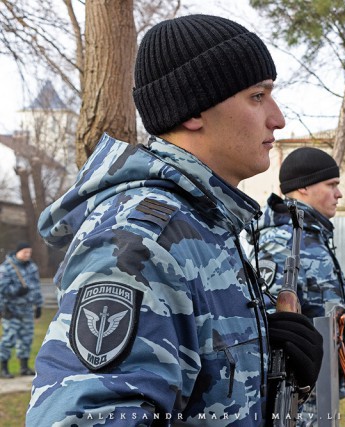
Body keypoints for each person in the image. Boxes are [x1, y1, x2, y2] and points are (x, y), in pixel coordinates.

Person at [26, 14, 323, 425]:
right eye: (258, 96)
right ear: (194, 110)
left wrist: (265, 367)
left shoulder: (204, 224)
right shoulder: (139, 240)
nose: (278, 118)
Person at [248, 146, 345, 425]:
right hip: (298, 406)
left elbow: (315, 310)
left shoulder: (310, 237)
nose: (339, 194)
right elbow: (270, 330)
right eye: (332, 185)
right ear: (303, 187)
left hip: (321, 396)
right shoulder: (281, 243)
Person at [0, 242, 43, 378]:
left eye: (29, 252)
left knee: (26, 339)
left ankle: (24, 368)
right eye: (25, 252)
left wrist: (39, 306)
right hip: (11, 310)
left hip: (27, 310)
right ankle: (4, 368)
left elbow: (36, 288)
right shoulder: (6, 268)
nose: (27, 255)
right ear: (17, 252)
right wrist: (17, 291)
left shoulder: (32, 267)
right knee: (9, 339)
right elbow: (2, 290)